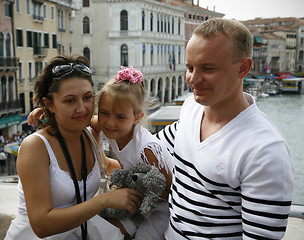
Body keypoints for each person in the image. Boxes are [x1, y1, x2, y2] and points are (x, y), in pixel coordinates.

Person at [156, 19, 295, 239]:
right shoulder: (191, 108)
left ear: (243, 68)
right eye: (190, 67)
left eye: (207, 68)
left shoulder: (265, 150)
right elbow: (152, 148)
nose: (193, 79)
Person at [27, 66, 174, 240]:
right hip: (136, 205)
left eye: (120, 117)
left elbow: (172, 190)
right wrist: (49, 111)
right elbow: (85, 118)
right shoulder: (113, 128)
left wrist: (139, 198)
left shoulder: (147, 149)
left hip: (161, 209)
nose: (110, 123)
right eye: (104, 113)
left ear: (137, 117)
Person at [5, 55, 142, 240]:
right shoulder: (35, 147)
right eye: (69, 101)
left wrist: (141, 177)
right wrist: (105, 200)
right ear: (49, 103)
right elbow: (41, 225)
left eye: (87, 98)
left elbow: (110, 151)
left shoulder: (90, 134)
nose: (82, 108)